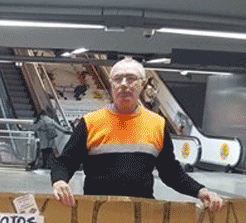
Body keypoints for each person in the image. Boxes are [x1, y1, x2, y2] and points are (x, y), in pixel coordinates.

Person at [51, 57, 224, 212]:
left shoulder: (157, 124)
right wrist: (59, 181)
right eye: (118, 79)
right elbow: (66, 161)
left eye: (131, 78)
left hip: (141, 215)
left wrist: (200, 190)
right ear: (111, 84)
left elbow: (170, 172)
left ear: (142, 84)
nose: (124, 84)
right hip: (98, 213)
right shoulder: (90, 123)